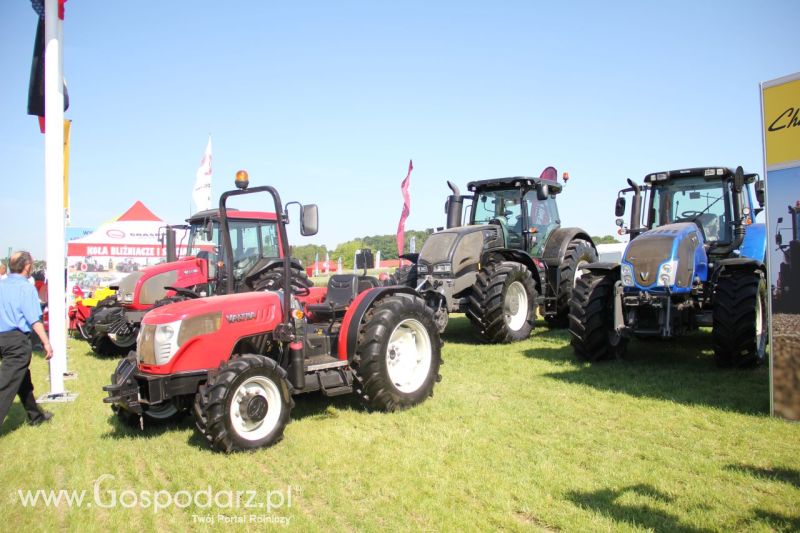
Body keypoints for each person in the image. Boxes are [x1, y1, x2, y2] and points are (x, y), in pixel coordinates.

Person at [0, 251, 54, 430]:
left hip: (2, 338)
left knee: (21, 377)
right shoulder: (26, 288)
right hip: (16, 341)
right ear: (28, 266)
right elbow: (34, 319)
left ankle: (35, 416)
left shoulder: (2, 285)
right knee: (6, 385)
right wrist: (46, 342)